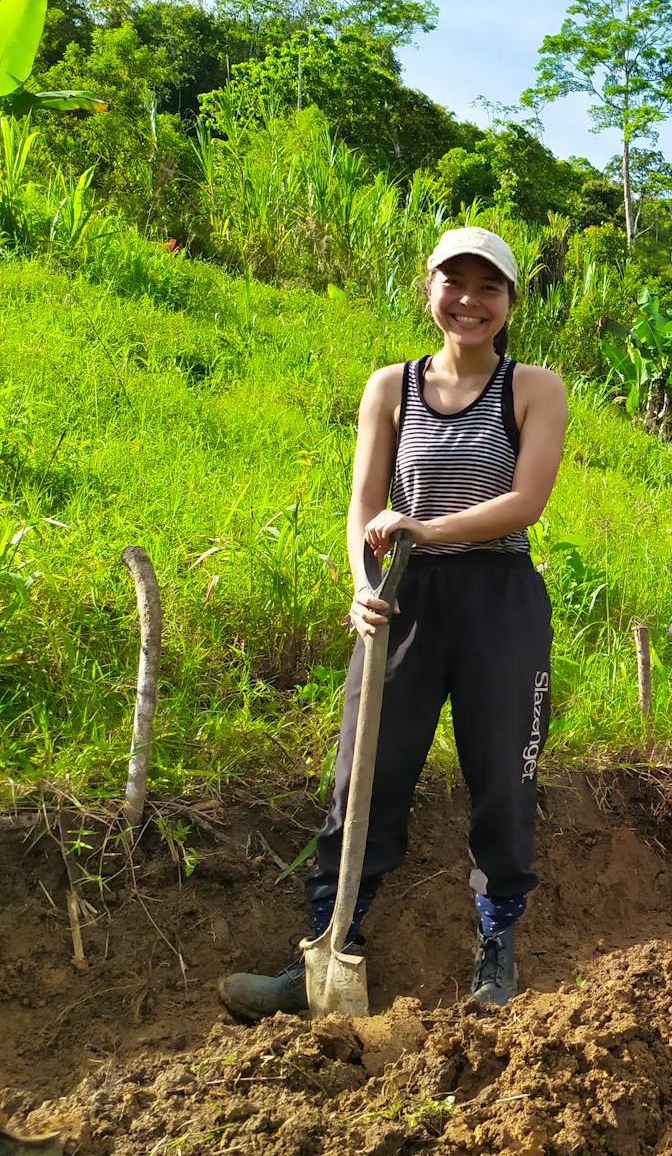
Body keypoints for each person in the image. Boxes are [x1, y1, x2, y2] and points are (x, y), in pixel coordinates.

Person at [220, 226, 568, 1018]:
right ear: (429, 289)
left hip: (498, 600)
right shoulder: (390, 386)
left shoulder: (534, 388)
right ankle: (325, 954)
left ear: (510, 303)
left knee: (503, 780)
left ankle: (496, 950)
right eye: (456, 282)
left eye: (489, 287)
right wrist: (360, 583)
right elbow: (364, 504)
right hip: (402, 599)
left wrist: (425, 528)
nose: (470, 300)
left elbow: (527, 501)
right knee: (362, 777)